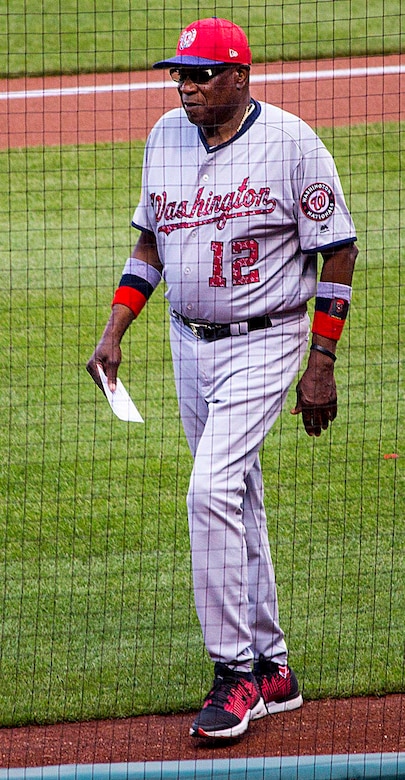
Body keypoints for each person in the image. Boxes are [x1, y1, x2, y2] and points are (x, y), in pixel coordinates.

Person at [87, 17, 358, 740]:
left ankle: (233, 673)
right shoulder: (163, 138)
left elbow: (337, 250)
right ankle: (273, 665)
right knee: (234, 493)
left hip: (266, 342)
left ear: (240, 76)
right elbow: (151, 243)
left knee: (208, 490)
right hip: (187, 345)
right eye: (181, 72)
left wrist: (320, 363)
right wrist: (115, 331)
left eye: (203, 73)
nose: (187, 86)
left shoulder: (292, 143)